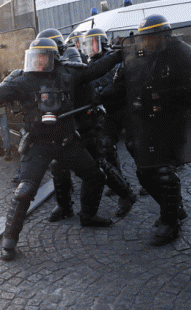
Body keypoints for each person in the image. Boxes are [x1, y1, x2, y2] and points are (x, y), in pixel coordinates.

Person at [0, 37, 123, 261]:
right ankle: (9, 240)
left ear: (53, 57)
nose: (40, 61)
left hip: (67, 141)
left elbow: (95, 69)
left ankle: (88, 215)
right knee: (24, 191)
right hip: (39, 145)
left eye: (44, 56)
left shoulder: (69, 73)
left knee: (95, 176)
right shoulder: (24, 81)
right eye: (36, 57)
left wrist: (119, 54)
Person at [96, 14, 191, 245]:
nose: (146, 43)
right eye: (144, 39)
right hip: (146, 121)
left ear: (164, 36)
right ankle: (174, 208)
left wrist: (166, 96)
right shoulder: (138, 57)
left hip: (172, 120)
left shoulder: (181, 52)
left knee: (164, 171)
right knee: (144, 173)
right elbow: (120, 86)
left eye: (151, 38)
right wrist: (96, 97)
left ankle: (170, 221)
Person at [48, 27, 137, 223]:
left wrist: (117, 56)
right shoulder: (47, 72)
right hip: (71, 123)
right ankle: (64, 206)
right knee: (59, 164)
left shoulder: (70, 58)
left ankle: (125, 194)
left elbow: (94, 73)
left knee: (100, 162)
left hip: (87, 121)